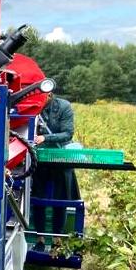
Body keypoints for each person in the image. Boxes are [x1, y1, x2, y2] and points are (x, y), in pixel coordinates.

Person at [31, 92, 79, 245]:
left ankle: (57, 238)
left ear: (49, 94)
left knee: (61, 198)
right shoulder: (32, 108)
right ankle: (40, 238)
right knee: (38, 198)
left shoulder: (63, 106)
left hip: (61, 157)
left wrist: (46, 138)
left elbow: (67, 133)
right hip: (39, 159)